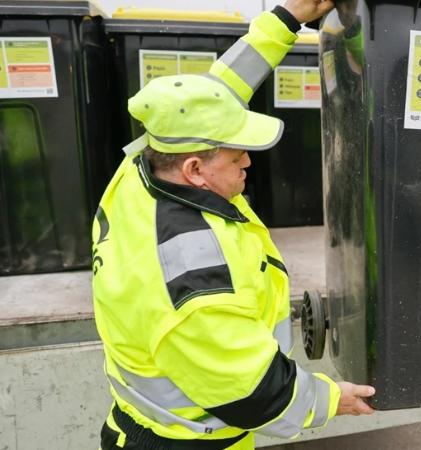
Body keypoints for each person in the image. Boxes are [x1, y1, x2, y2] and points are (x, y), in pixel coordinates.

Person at [91, 1, 375, 449]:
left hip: (154, 423)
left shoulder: (140, 167)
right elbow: (251, 391)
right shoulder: (193, 279)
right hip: (188, 440)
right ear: (194, 170)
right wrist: (330, 398)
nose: (248, 160)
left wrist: (286, 18)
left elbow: (213, 93)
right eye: (235, 153)